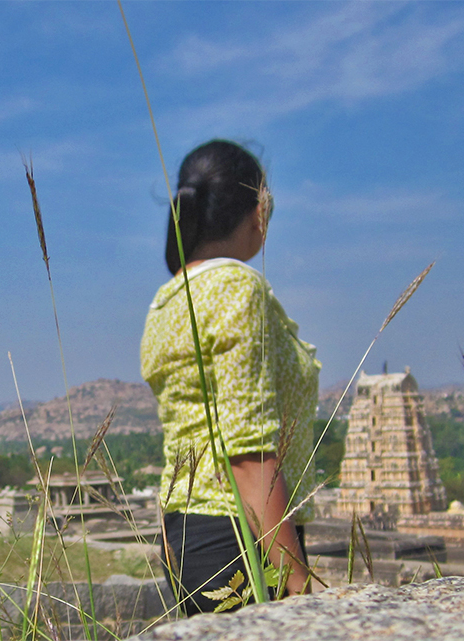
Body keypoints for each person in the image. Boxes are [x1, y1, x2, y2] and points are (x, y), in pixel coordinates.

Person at [140, 140, 319, 615]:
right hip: (242, 534)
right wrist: (299, 583)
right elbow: (248, 451)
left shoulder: (166, 300)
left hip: (184, 530)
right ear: (257, 210)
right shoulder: (238, 287)